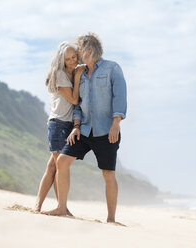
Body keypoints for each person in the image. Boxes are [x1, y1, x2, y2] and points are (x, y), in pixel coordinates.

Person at [43, 33, 127, 224]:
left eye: (79, 49)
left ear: (88, 50)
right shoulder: (80, 74)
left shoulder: (112, 68)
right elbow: (78, 104)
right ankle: (61, 207)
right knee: (62, 161)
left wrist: (116, 123)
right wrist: (76, 126)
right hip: (84, 130)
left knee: (108, 173)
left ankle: (111, 219)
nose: (77, 53)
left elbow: (120, 98)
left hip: (106, 131)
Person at [34, 41, 84, 214]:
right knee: (59, 166)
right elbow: (74, 100)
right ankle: (61, 207)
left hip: (67, 125)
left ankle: (38, 206)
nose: (72, 61)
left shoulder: (72, 72)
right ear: (62, 60)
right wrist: (77, 78)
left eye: (74, 57)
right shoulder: (61, 74)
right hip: (58, 124)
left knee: (52, 167)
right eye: (68, 58)